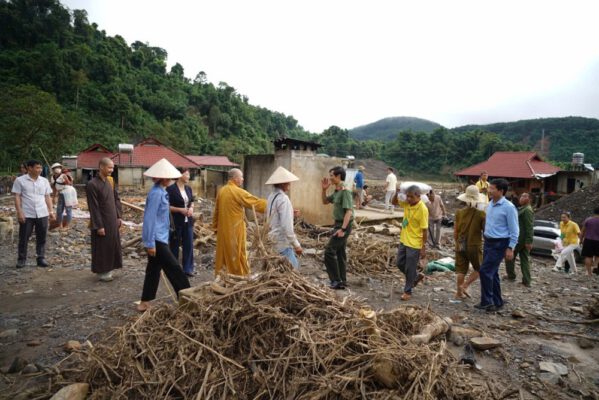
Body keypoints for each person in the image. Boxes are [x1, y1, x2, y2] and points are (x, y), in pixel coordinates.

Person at [138, 159, 191, 312]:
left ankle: (145, 302)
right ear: (163, 178)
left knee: (153, 269)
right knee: (175, 268)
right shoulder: (156, 193)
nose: (170, 180)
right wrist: (149, 243)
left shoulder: (162, 192)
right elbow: (149, 218)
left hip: (161, 237)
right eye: (168, 177)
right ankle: (188, 298)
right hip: (156, 239)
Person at [213, 168, 266, 276]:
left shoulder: (222, 191)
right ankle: (238, 277)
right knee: (237, 255)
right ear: (235, 178)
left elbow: (216, 212)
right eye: (241, 177)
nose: (242, 179)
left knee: (224, 255)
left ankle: (222, 277)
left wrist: (215, 227)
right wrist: (273, 205)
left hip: (223, 231)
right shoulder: (237, 191)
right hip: (234, 231)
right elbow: (254, 202)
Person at [476, 178, 519, 312]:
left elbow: (515, 230)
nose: (489, 190)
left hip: (500, 243)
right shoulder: (490, 204)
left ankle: (487, 302)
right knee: (492, 273)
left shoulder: (509, 207)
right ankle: (497, 301)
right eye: (490, 188)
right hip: (489, 241)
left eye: (492, 188)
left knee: (485, 271)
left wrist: (511, 247)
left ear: (501, 191)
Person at [85, 158, 123, 282]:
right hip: (101, 220)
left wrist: (119, 216)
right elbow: (93, 207)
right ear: (101, 167)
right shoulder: (92, 184)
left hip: (112, 218)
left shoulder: (110, 181)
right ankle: (102, 271)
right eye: (109, 167)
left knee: (112, 243)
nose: (111, 170)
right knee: (101, 246)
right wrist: (99, 226)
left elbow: (116, 199)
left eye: (112, 168)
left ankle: (110, 268)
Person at [12, 160, 55, 268]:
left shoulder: (44, 181)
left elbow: (47, 197)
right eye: (37, 168)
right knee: (24, 237)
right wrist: (19, 212)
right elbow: (17, 196)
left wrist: (51, 211)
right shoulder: (20, 180)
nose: (40, 170)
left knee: (42, 237)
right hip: (27, 213)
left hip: (42, 213)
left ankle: (40, 258)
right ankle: (21, 259)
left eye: (40, 168)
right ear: (29, 168)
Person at [322, 166, 353, 289]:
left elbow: (349, 211)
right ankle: (342, 280)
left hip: (344, 224)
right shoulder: (337, 190)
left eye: (331, 175)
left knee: (329, 251)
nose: (330, 178)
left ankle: (336, 280)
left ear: (338, 176)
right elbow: (325, 201)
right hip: (338, 224)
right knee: (340, 253)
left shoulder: (345, 190)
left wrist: (343, 229)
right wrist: (324, 190)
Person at [265, 166, 302, 269]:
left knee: (277, 271)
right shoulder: (283, 199)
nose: (289, 185)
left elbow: (274, 216)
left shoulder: (272, 196)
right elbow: (287, 227)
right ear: (282, 183)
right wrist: (296, 245)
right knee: (293, 271)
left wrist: (290, 213)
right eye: (288, 182)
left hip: (272, 239)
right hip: (282, 242)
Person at [396, 185, 428, 300]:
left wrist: (423, 247)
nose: (409, 199)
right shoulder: (407, 204)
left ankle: (408, 292)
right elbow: (394, 202)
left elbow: (424, 230)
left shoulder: (423, 209)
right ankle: (415, 277)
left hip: (415, 243)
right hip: (404, 240)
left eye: (411, 197)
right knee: (399, 263)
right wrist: (397, 192)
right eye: (407, 196)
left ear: (418, 196)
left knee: (410, 267)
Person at [454, 185, 486, 299]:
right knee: (479, 268)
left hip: (460, 244)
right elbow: (485, 231)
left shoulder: (459, 212)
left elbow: (455, 232)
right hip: (474, 245)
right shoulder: (481, 214)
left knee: (461, 270)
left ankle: (458, 293)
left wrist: (457, 243)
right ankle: (465, 286)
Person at [166, 168, 195, 277]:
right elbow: (166, 206)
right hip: (176, 222)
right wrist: (180, 210)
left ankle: (188, 269)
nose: (188, 176)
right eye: (187, 174)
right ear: (179, 175)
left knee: (189, 245)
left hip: (188, 221)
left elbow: (192, 201)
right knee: (174, 245)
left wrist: (191, 208)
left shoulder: (188, 188)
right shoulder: (170, 189)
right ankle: (174, 269)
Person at [504, 193, 534, 287]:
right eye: (521, 196)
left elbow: (529, 226)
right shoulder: (522, 208)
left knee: (509, 256)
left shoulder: (527, 210)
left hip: (520, 239)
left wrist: (529, 241)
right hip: (522, 239)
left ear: (529, 199)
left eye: (524, 196)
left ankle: (511, 275)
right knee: (524, 259)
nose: (521, 198)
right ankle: (526, 281)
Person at [50, 163, 74, 231]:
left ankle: (67, 226)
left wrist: (65, 179)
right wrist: (54, 197)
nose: (57, 168)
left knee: (68, 209)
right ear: (53, 169)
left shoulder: (64, 175)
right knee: (59, 210)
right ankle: (60, 225)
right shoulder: (53, 177)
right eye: (55, 167)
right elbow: (54, 188)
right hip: (60, 193)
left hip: (68, 193)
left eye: (58, 167)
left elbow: (70, 184)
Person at [580, 207, 599, 277]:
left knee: (588, 257)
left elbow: (582, 231)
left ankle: (589, 273)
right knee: (598, 255)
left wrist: (580, 240)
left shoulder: (588, 220)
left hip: (588, 240)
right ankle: (595, 265)